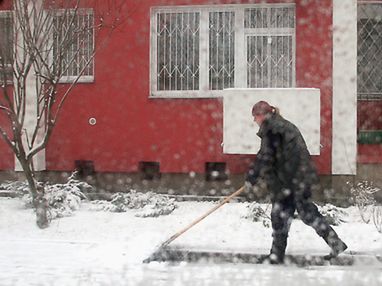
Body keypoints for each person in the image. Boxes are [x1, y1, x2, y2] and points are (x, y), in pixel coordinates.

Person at [245, 101, 347, 264]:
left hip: (291, 180)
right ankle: (334, 243)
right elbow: (269, 154)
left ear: (262, 115)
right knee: (291, 215)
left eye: (255, 117)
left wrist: (252, 176)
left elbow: (266, 156)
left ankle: (277, 255)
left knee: (287, 215)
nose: (254, 121)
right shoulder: (279, 125)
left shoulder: (271, 128)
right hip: (294, 179)